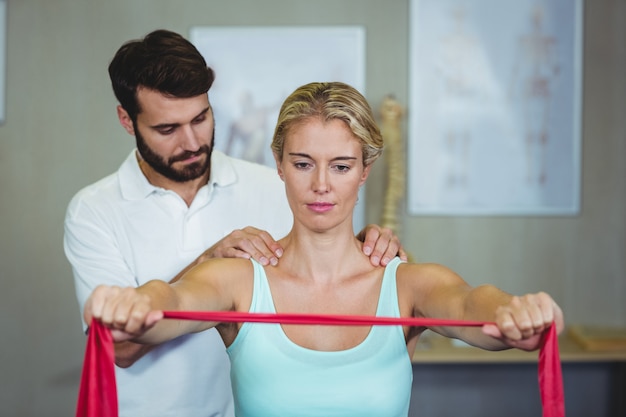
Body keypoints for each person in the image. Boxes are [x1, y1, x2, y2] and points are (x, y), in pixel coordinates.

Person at [84, 81, 565, 417]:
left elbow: (471, 303)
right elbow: (171, 302)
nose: (320, 186)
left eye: (340, 166)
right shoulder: (237, 280)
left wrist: (515, 311)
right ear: (278, 165)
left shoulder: (409, 283)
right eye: (302, 163)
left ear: (364, 170)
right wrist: (135, 302)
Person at [64, 31, 405, 417]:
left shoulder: (272, 185)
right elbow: (119, 349)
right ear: (127, 120)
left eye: (201, 118)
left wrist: (367, 246)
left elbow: (322, 255)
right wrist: (208, 260)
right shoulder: (92, 211)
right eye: (167, 129)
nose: (192, 141)